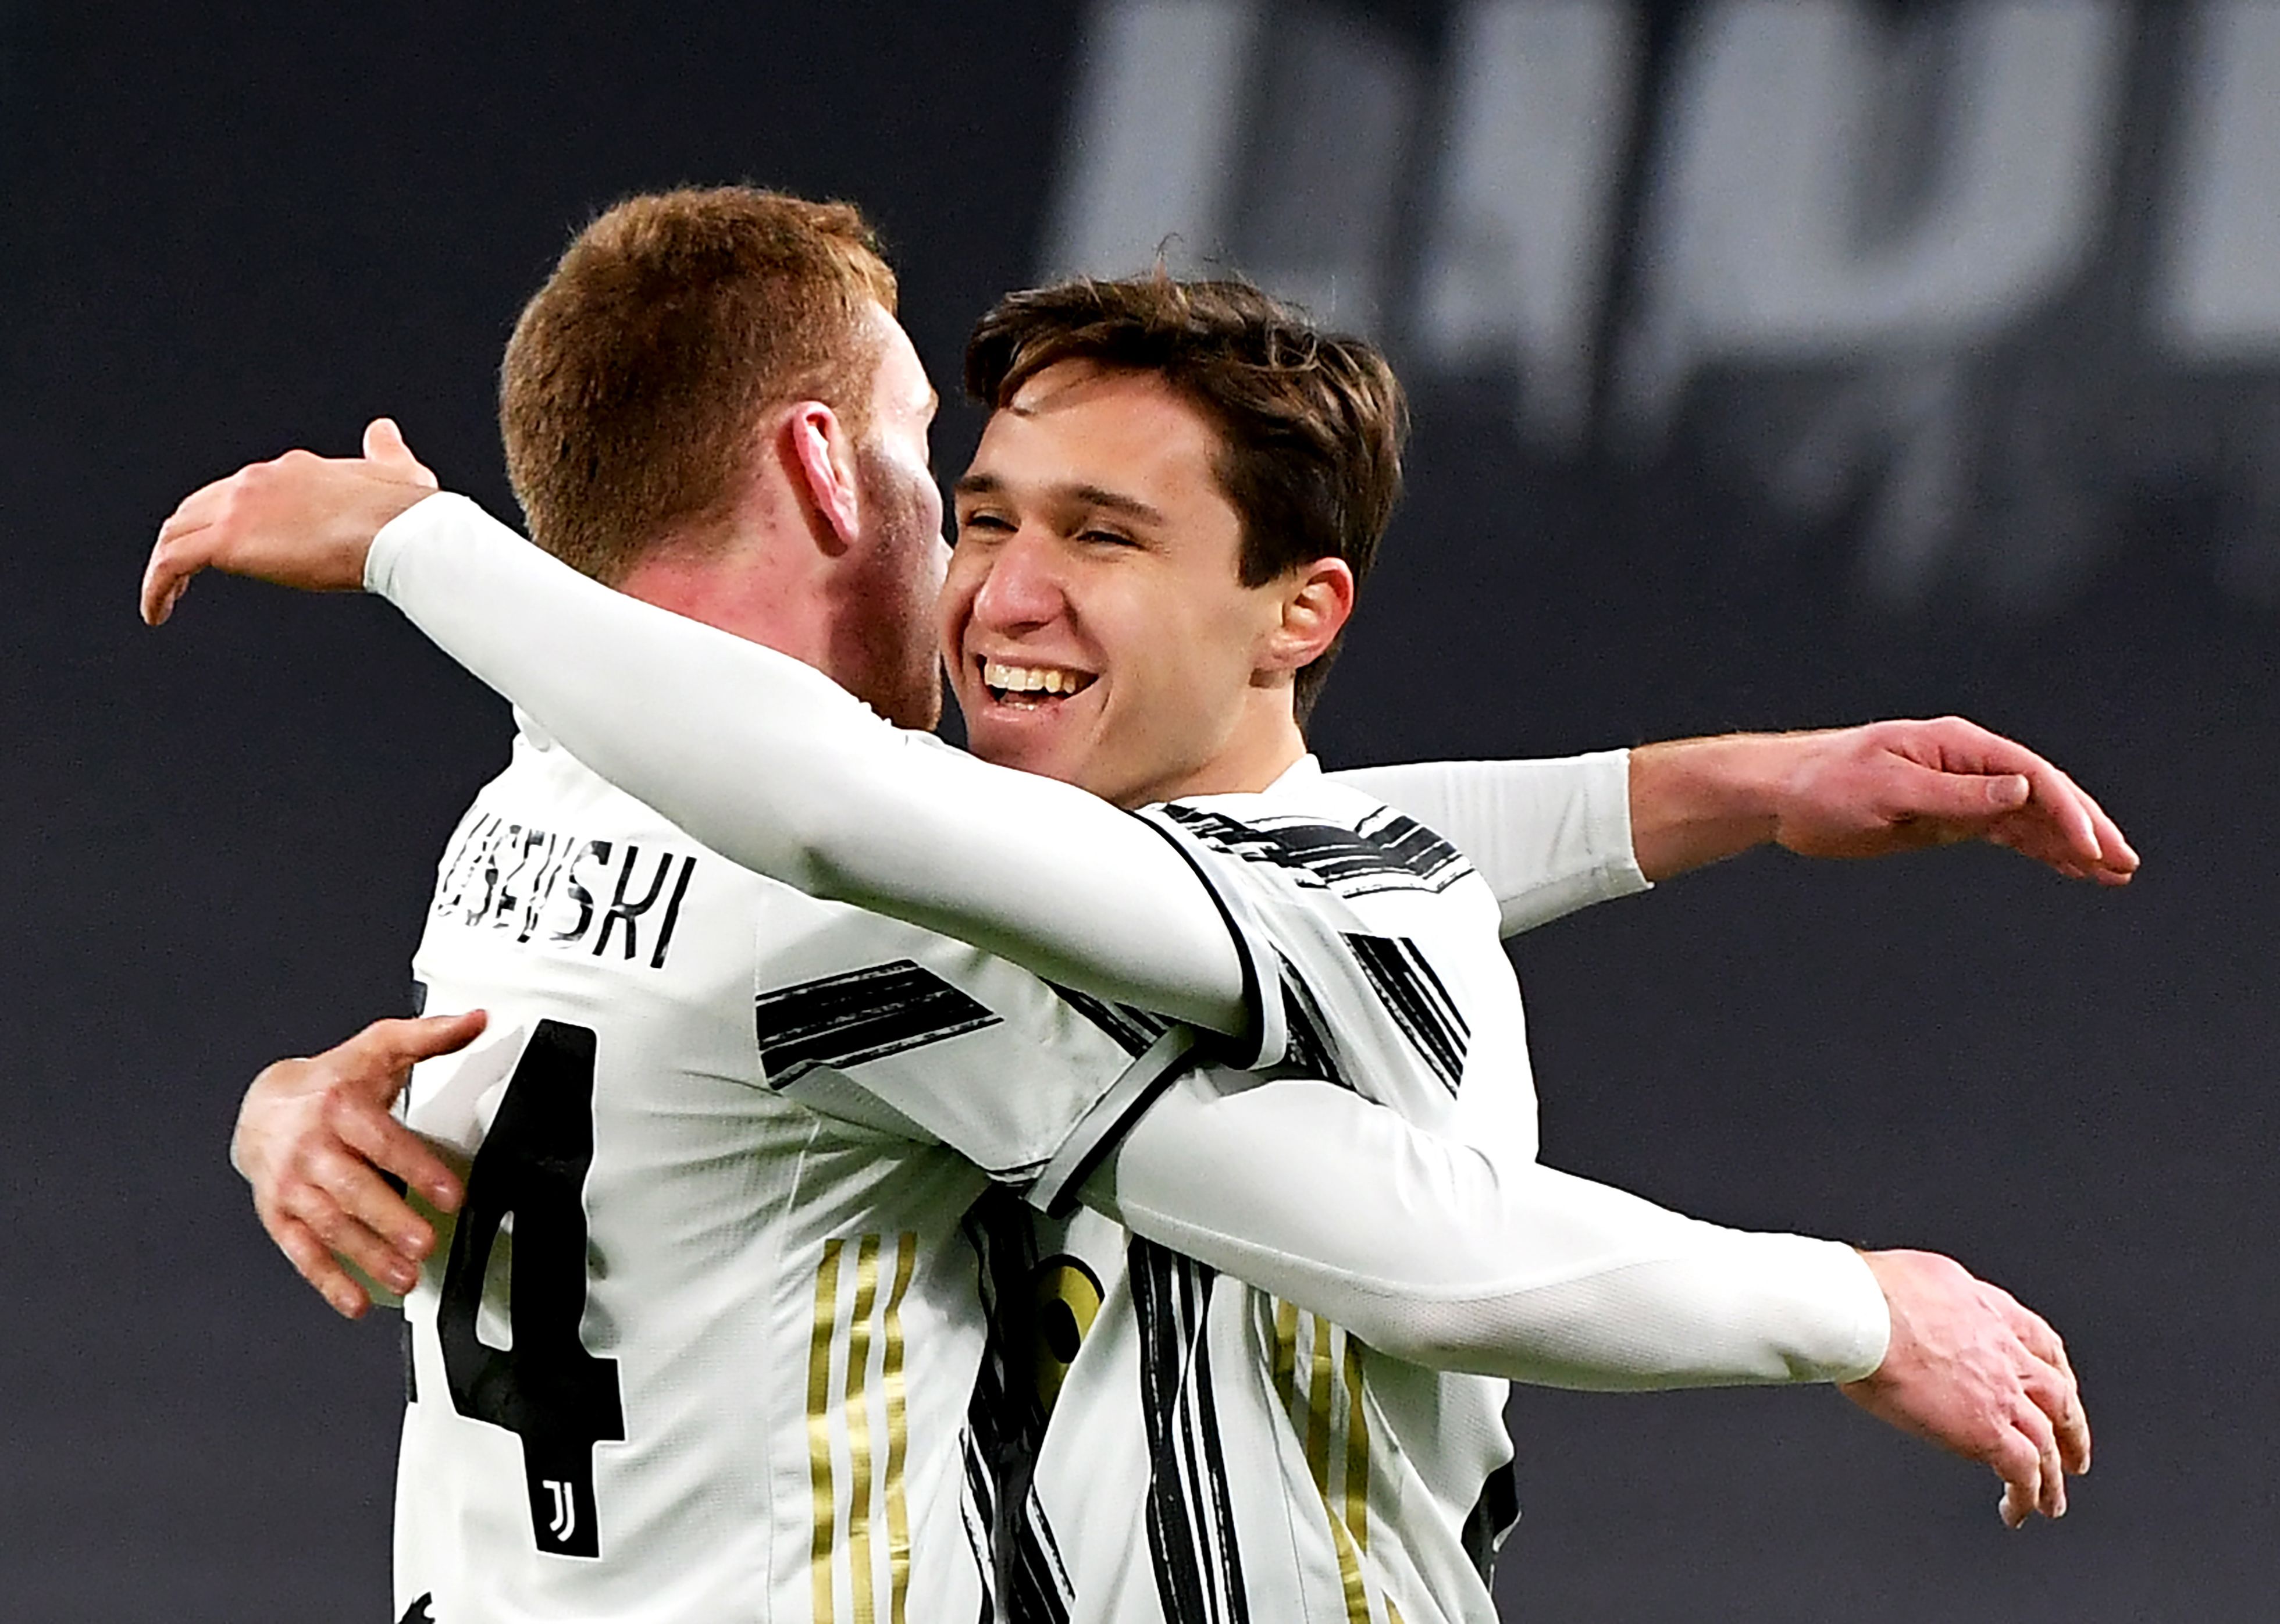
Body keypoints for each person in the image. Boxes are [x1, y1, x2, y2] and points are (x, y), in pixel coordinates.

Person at [148, 195, 2114, 1621]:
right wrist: (1853, 1307)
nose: (987, 578)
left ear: (1298, 610)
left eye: (1094, 532)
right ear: (831, 471)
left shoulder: (525, 804)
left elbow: (1299, 874)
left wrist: (1732, 790)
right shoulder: (867, 903)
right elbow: (1408, 1232)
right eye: (967, 492)